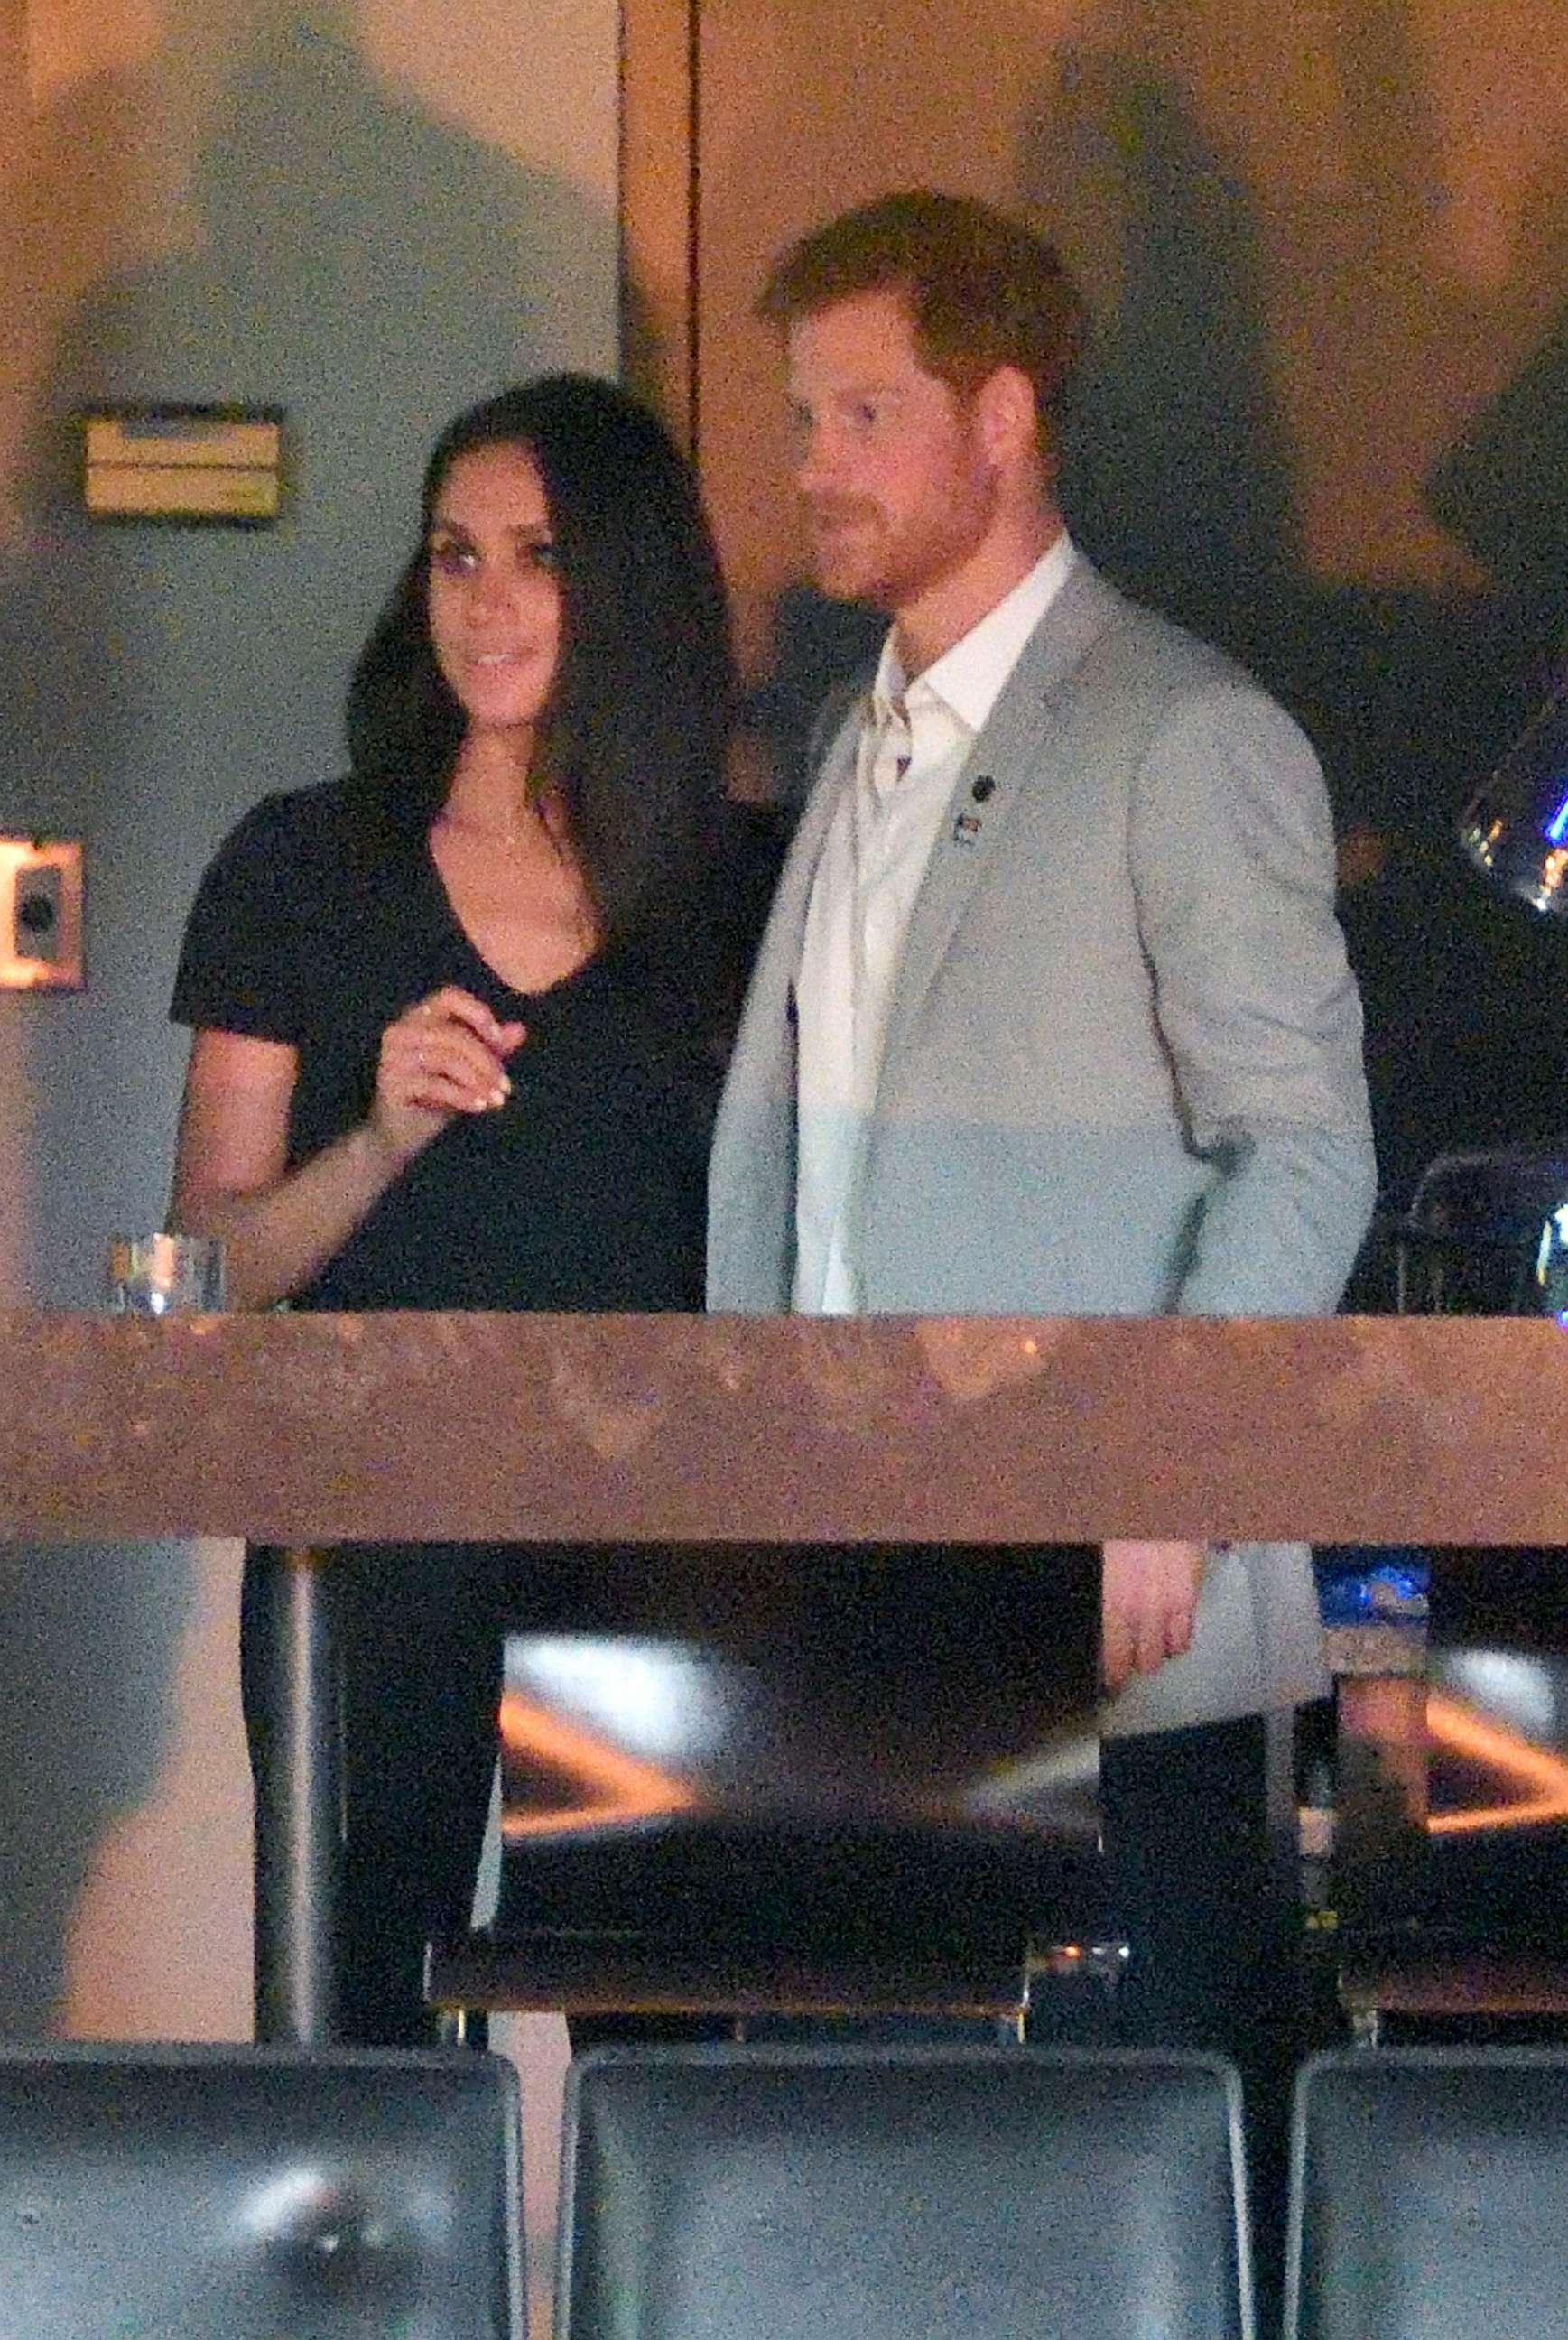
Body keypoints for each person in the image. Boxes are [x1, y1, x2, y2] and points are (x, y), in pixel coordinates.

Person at [706, 189, 1378, 2283]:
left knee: (1137, 2191)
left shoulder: (1182, 733)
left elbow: (1307, 1152)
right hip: (852, 1591)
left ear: (997, 421)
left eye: (857, 413)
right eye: (800, 415)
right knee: (873, 2196)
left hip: (1110, 1616)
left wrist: (1160, 1473)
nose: (808, 462)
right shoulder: (853, 736)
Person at [168, 374, 747, 2044]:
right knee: (357, 2010)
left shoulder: (742, 880)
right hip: (367, 1525)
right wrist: (377, 1141)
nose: (484, 606)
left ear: (626, 584)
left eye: (538, 558)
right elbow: (201, 1265)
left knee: (666, 2032)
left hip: (662, 1551)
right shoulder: (304, 862)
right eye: (452, 556)